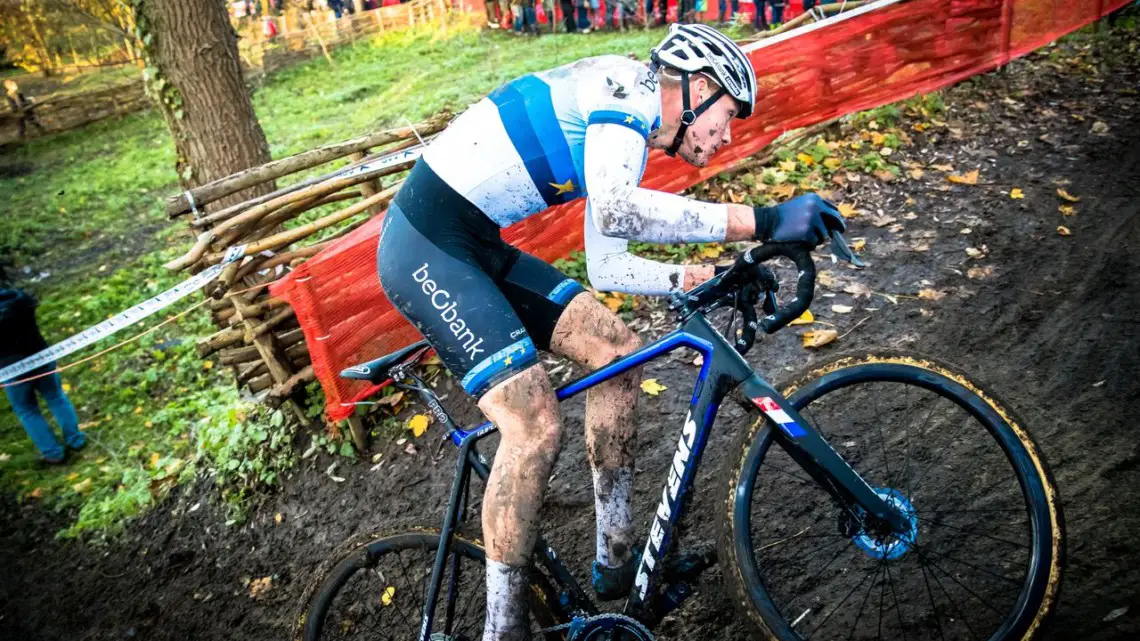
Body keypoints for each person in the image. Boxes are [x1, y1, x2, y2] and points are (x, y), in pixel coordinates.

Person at [375, 23, 844, 640]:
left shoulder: (628, 124)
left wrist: (693, 276)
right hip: (427, 249)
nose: (727, 135)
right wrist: (763, 219)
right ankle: (501, 630)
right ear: (699, 88)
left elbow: (607, 263)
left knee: (616, 351)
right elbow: (621, 209)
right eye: (727, 115)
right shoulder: (624, 91)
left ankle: (615, 565)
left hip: (475, 246)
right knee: (534, 423)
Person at [0, 288, 85, 464]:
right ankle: (76, 440)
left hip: (11, 370)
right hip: (41, 356)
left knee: (27, 411)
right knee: (56, 397)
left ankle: (53, 453)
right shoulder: (20, 299)